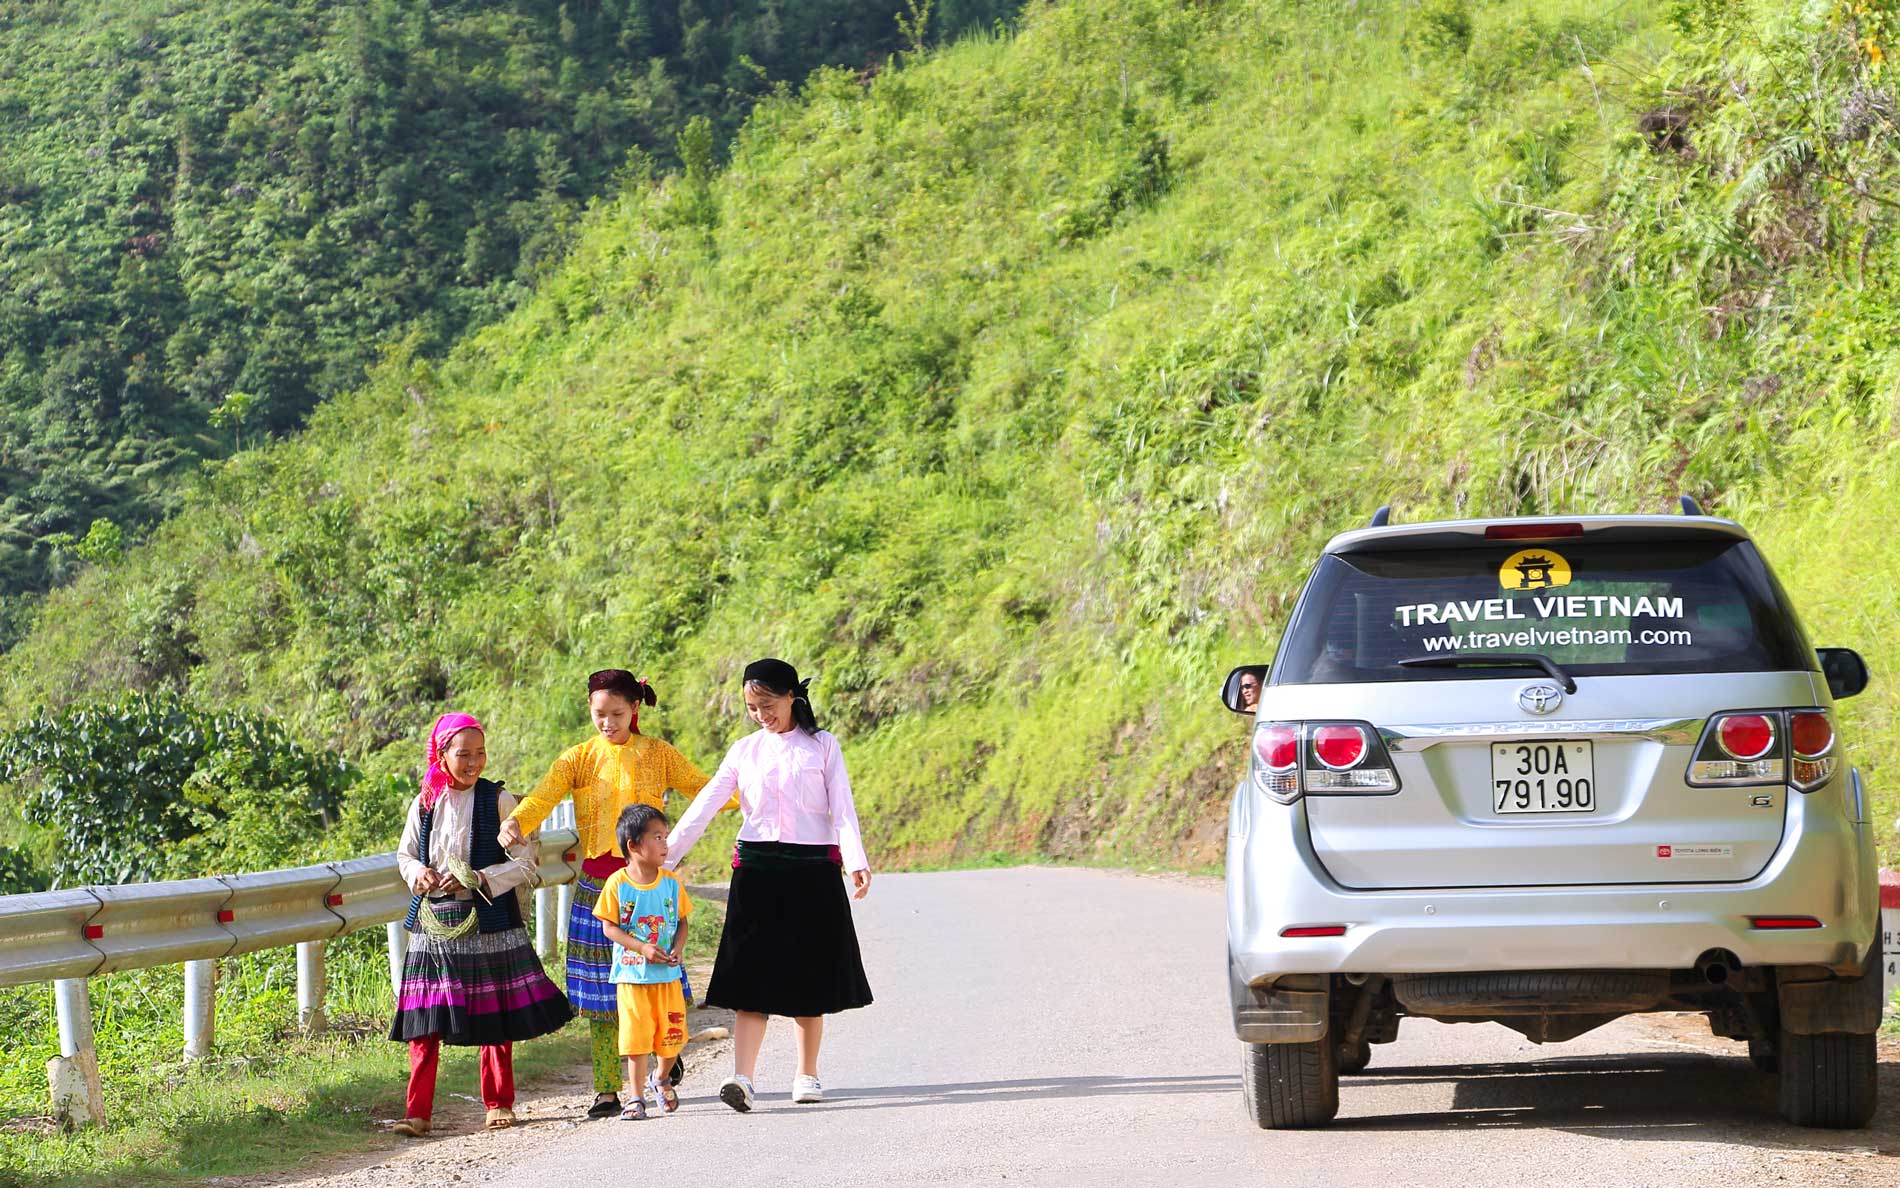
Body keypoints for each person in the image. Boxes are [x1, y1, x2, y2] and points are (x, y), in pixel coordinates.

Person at [498, 669, 733, 1119]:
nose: (607, 723)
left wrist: (753, 793)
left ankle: (661, 1059)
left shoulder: (659, 754)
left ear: (635, 709)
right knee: (603, 999)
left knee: (658, 989)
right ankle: (607, 1090)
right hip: (597, 891)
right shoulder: (578, 758)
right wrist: (516, 823)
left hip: (651, 889)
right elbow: (544, 797)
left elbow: (708, 790)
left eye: (617, 714)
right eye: (599, 714)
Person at [666, 658, 873, 1113]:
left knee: (809, 978)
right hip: (756, 871)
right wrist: (667, 855)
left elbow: (842, 808)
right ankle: (742, 1077)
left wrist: (855, 860)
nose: (760, 714)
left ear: (792, 697)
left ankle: (807, 1074)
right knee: (749, 977)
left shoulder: (823, 746)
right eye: (751, 706)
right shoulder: (744, 751)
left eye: (767, 704)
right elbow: (705, 804)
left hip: (812, 870)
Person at [389, 713, 573, 1137]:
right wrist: (419, 872)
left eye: (480, 753)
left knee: (495, 1018)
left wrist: (479, 878)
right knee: (425, 1022)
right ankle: (417, 1114)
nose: (474, 763)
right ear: (441, 755)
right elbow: (404, 856)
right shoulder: (425, 802)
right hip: (434, 925)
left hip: (487, 920)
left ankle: (499, 1103)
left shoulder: (499, 801)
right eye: (463, 754)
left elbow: (524, 864)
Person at [593, 805, 694, 1121]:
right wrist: (641, 947)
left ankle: (661, 1077)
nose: (666, 844)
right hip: (632, 976)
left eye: (665, 836)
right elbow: (609, 927)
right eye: (658, 837)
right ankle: (635, 1097)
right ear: (633, 845)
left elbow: (682, 922)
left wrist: (677, 948)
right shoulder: (617, 884)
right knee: (636, 1038)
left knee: (672, 1034)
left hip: (667, 976)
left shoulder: (671, 883)